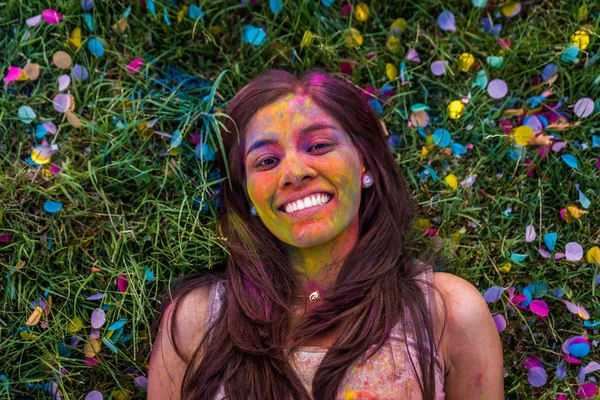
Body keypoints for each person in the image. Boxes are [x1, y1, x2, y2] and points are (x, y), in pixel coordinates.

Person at [147, 68, 504, 399]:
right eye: (267, 161)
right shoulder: (195, 321)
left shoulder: (448, 313)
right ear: (247, 196)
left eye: (318, 146)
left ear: (365, 163)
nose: (295, 171)